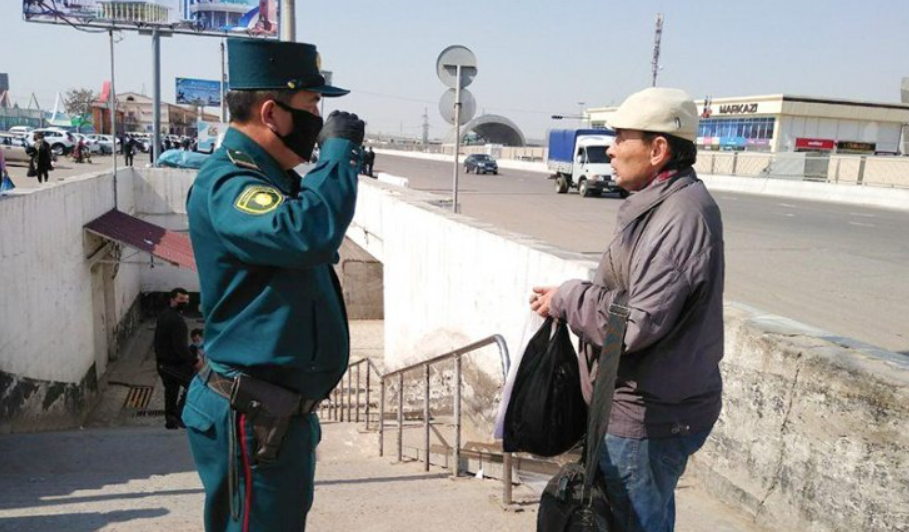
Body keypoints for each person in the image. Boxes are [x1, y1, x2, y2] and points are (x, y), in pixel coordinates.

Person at [185, 37, 364, 532]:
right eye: (311, 106)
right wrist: (338, 155)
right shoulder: (229, 183)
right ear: (271, 112)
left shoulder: (272, 180)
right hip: (251, 417)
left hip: (276, 417)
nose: (319, 120)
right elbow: (306, 234)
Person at [530, 87, 724, 532]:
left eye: (621, 137)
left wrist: (569, 297)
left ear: (658, 149)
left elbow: (634, 322)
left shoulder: (680, 217)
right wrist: (567, 300)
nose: (611, 149)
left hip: (649, 416)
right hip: (649, 407)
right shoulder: (662, 206)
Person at [154, 287, 200, 430]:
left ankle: (171, 419)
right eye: (181, 299)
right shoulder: (177, 321)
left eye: (186, 299)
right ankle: (179, 416)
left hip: (163, 364)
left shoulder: (164, 315)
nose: (184, 302)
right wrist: (196, 361)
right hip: (174, 364)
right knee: (195, 385)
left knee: (171, 391)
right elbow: (180, 349)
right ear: (172, 300)